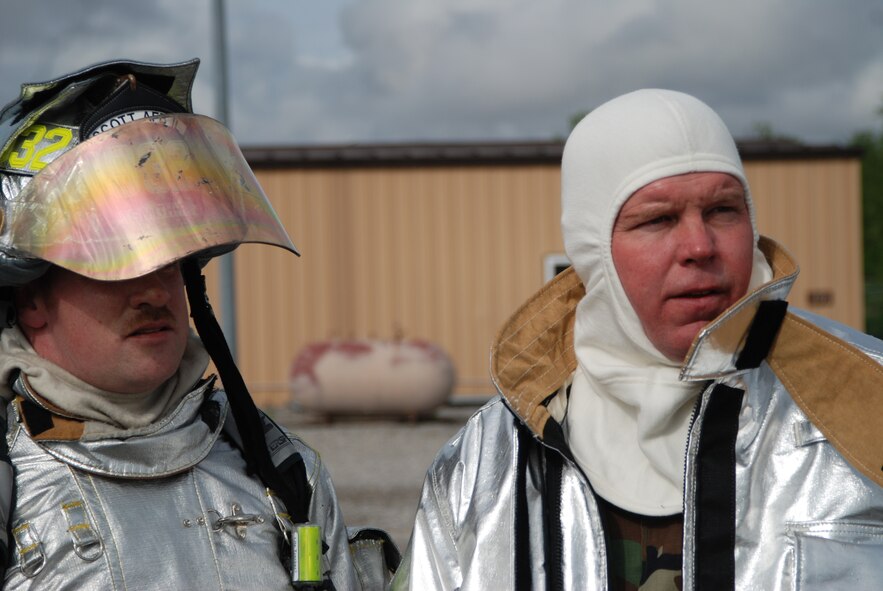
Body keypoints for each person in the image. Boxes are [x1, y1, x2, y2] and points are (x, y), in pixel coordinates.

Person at [391, 89, 883, 590]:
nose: (699, 246)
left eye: (723, 211)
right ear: (592, 251)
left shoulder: (866, 397)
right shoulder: (487, 462)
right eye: (657, 219)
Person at [0, 59, 397, 590]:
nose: (153, 289)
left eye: (171, 256)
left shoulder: (283, 472)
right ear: (31, 296)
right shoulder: (12, 488)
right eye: (115, 258)